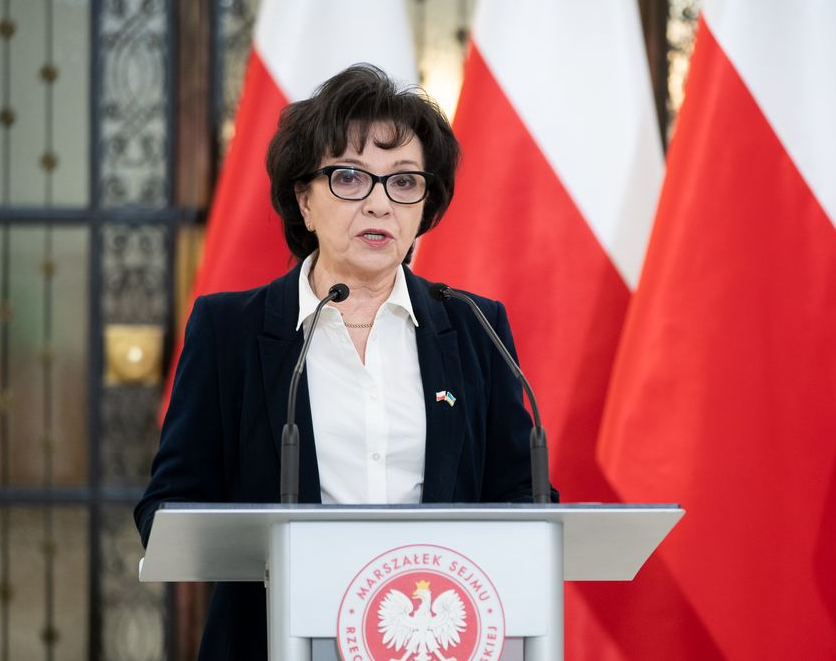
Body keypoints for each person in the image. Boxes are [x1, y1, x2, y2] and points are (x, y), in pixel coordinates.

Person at [134, 63, 549, 660]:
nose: (380, 204)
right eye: (351, 178)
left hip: (438, 638)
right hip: (273, 638)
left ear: (424, 206)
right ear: (303, 200)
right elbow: (168, 504)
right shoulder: (230, 330)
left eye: (404, 182)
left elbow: (523, 499)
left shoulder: (476, 328)